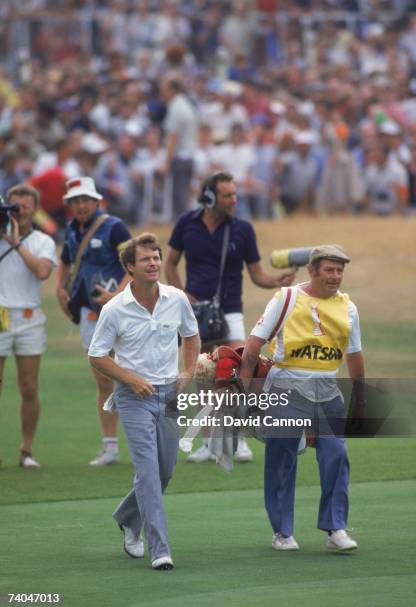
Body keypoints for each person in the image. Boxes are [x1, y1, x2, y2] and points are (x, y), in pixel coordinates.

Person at [240, 245, 365, 552]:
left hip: (327, 391)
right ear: (312, 271)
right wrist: (248, 394)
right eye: (329, 270)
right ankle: (282, 532)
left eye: (339, 270)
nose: (335, 276)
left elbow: (355, 355)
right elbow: (253, 345)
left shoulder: (348, 308)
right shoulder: (287, 298)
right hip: (286, 388)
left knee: (336, 455)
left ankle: (336, 528)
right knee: (281, 457)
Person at [165, 171, 295, 462]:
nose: (234, 200)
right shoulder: (187, 224)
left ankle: (239, 439)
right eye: (228, 195)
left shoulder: (243, 229)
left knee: (235, 371)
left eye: (235, 194)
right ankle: (209, 444)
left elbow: (257, 273)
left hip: (230, 307)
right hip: (195, 311)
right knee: (204, 376)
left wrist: (277, 281)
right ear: (210, 197)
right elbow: (170, 263)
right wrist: (180, 293)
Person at [88, 233, 200, 570]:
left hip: (168, 394)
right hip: (132, 397)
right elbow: (97, 356)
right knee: (148, 473)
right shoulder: (114, 308)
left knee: (165, 471)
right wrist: (130, 378)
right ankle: (159, 549)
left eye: (156, 257)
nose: (153, 264)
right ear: (130, 267)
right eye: (146, 259)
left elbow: (191, 337)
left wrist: (188, 371)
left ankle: (126, 517)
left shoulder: (176, 298)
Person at [55, 176, 131, 466]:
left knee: (129, 373)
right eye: (76, 201)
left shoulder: (114, 226)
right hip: (88, 311)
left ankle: (143, 437)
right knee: (102, 378)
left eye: (86, 199)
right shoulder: (72, 230)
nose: (81, 205)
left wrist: (117, 294)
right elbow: (64, 261)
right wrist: (60, 289)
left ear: (96, 201)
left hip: (120, 312)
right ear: (71, 205)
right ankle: (110, 446)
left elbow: (132, 261)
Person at [0, 184, 57, 468]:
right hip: (0, 314)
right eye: (14, 206)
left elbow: (43, 271)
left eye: (25, 206)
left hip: (28, 316)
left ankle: (26, 450)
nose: (20, 211)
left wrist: (15, 243)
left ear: (35, 209)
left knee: (29, 386)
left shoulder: (42, 241)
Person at [160, 75, 198, 219]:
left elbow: (172, 137)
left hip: (180, 158)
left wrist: (166, 162)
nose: (162, 94)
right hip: (189, 157)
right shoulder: (187, 105)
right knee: (184, 196)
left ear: (171, 90)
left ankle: (183, 228)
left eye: (164, 90)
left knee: (179, 198)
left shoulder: (176, 107)